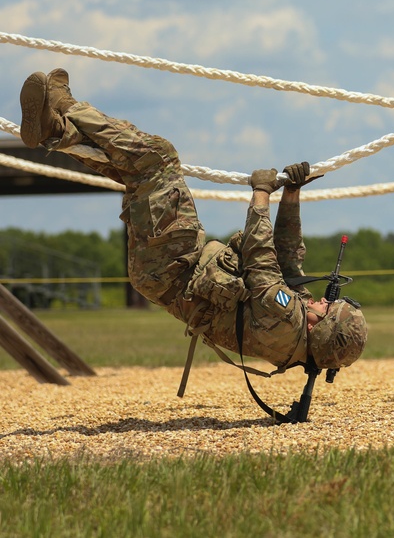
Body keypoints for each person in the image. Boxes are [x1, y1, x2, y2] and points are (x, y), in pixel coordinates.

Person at [18, 68, 367, 379]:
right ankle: (57, 131)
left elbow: (262, 259)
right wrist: (291, 194)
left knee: (158, 158)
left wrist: (261, 192)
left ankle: (68, 106)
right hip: (172, 266)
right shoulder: (297, 330)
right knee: (137, 172)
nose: (323, 301)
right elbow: (289, 259)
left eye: (327, 308)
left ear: (321, 328)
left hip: (173, 264)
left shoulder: (286, 322)